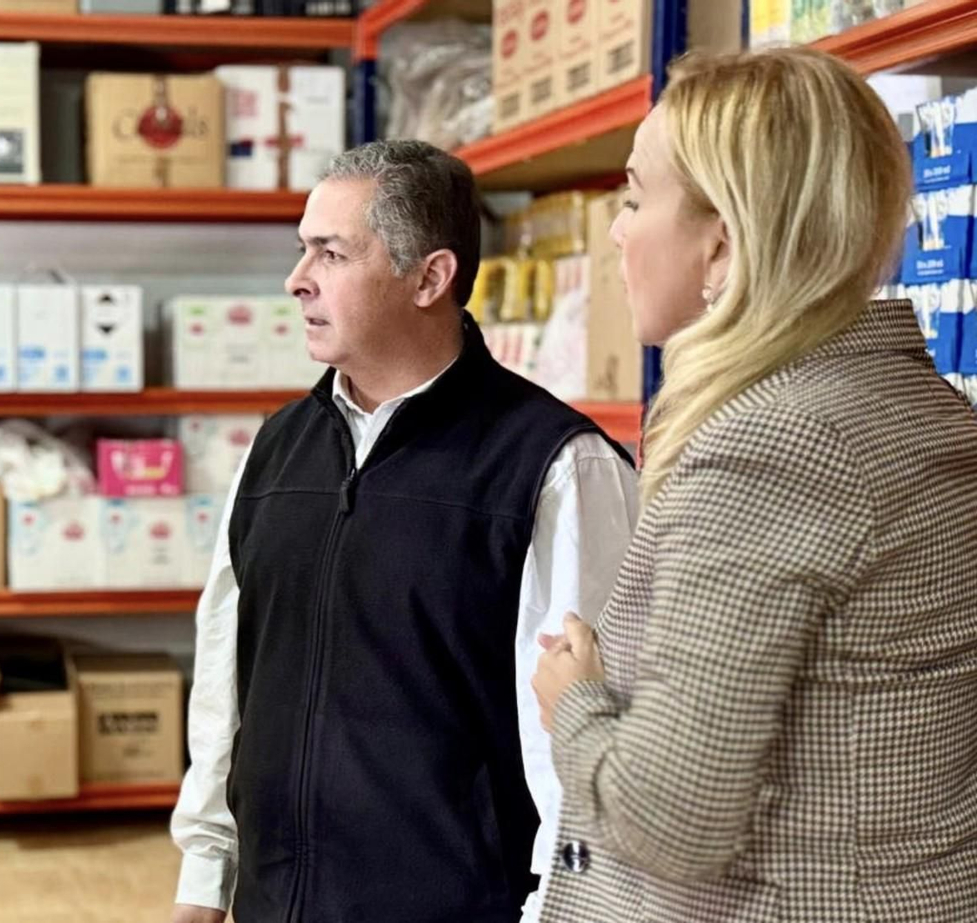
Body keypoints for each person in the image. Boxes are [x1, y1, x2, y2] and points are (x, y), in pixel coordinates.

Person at [532, 47, 977, 922]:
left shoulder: (773, 447)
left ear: (723, 239)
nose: (617, 231)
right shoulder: (927, 411)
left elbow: (669, 819)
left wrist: (572, 699)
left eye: (632, 198)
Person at [170, 140, 641, 923]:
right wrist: (204, 877)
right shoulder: (276, 449)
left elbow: (580, 749)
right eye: (302, 251)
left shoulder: (557, 468)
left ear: (430, 277)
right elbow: (227, 681)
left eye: (331, 252)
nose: (297, 280)